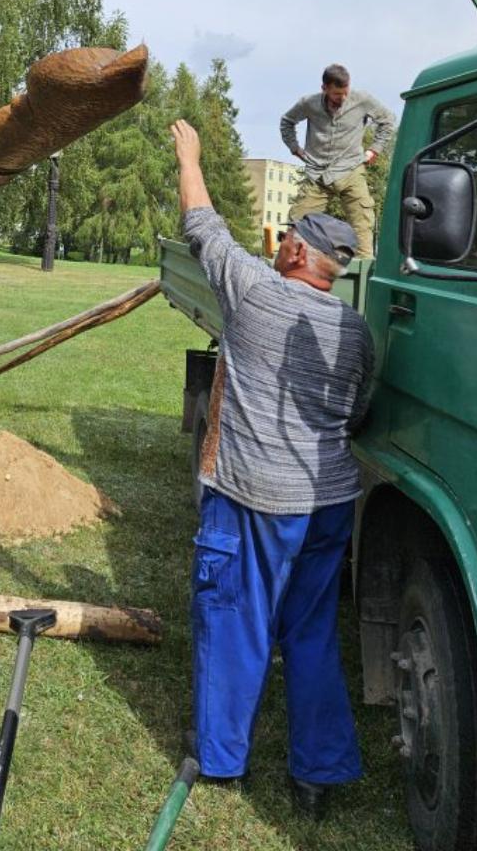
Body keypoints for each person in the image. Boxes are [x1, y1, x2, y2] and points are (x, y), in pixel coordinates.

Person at [170, 119, 374, 820]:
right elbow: (358, 410)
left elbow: (203, 227)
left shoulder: (255, 294)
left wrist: (188, 155)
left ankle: (223, 761)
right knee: (310, 631)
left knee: (233, 617)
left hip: (254, 499)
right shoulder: (356, 330)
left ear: (293, 250)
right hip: (329, 504)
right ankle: (317, 776)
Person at [280, 64, 395, 259]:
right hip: (318, 174)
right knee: (297, 224)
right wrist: (295, 148)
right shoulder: (309, 103)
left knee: (363, 223)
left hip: (351, 170)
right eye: (336, 94)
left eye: (345, 92)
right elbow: (287, 121)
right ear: (324, 88)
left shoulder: (362, 100)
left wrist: (374, 150)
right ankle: (290, 270)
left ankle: (363, 274)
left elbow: (388, 121)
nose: (341, 98)